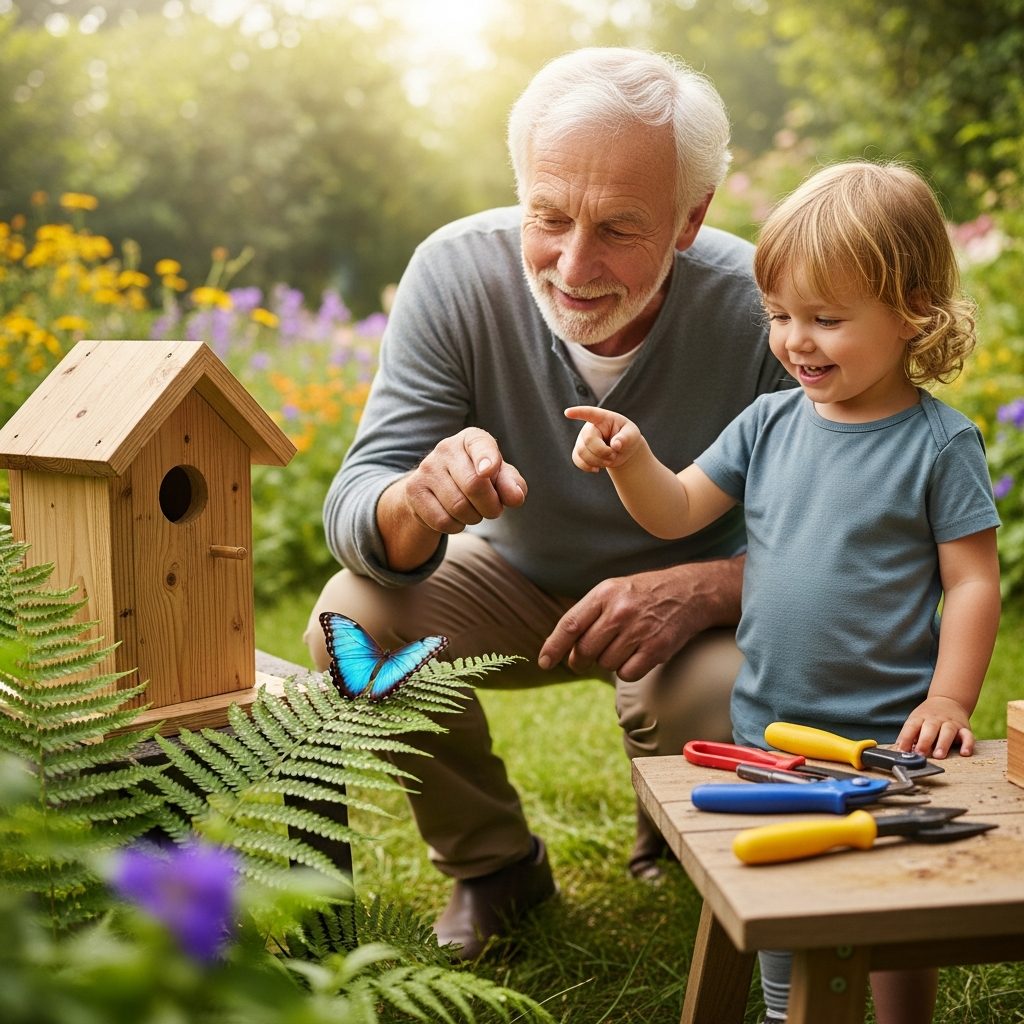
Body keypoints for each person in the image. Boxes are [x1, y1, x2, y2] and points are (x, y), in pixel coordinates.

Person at [304, 46, 791, 959]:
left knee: (715, 694)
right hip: (517, 580)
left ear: (690, 219)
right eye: (550, 216)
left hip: (695, 613)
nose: (573, 263)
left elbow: (839, 537)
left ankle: (672, 818)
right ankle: (494, 868)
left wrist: (706, 589)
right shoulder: (455, 274)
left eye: (619, 228)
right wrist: (418, 500)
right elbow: (356, 500)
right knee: (352, 623)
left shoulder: (765, 309)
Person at [566, 160, 1002, 1024]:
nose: (796, 340)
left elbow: (973, 580)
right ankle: (783, 1012)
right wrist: (632, 460)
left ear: (911, 311)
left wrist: (950, 698)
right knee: (786, 890)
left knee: (897, 899)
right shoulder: (766, 425)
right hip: (770, 730)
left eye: (826, 319)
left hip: (893, 734)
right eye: (779, 316)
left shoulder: (939, 444)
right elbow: (677, 508)